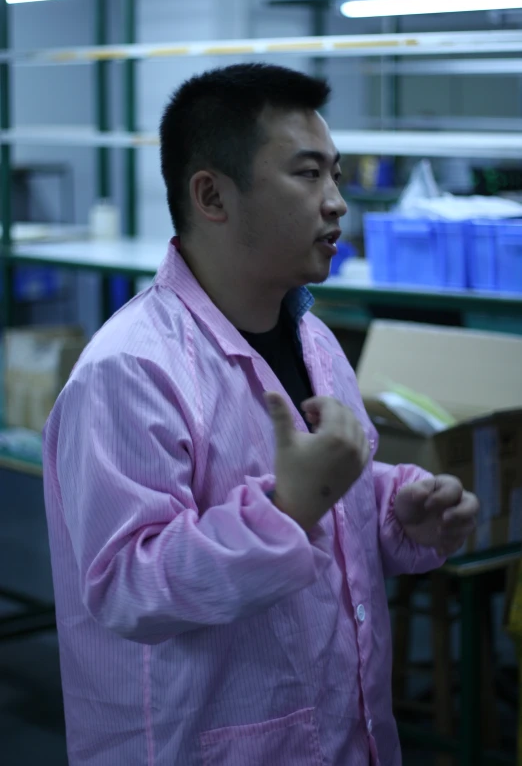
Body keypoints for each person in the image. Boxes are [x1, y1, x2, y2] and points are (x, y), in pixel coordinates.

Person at [42, 63, 479, 766]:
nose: (337, 203)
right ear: (212, 194)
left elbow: (335, 487)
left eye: (336, 174)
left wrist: (398, 510)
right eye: (308, 175)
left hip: (342, 731)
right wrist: (288, 508)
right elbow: (128, 583)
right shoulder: (130, 370)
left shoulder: (312, 338)